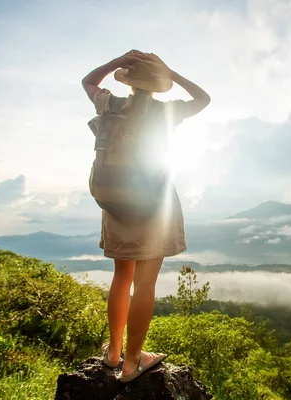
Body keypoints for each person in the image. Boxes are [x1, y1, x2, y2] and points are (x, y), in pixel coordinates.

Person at [81, 50, 210, 382]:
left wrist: (116, 60)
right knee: (145, 283)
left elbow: (88, 81)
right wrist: (172, 73)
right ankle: (133, 362)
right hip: (153, 208)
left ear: (128, 79)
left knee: (121, 278)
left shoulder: (109, 104)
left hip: (115, 201)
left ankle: (113, 353)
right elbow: (203, 98)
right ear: (157, 85)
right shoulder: (166, 112)